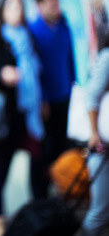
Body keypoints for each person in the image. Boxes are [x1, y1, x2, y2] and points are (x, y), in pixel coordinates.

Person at [0, 0, 44, 236]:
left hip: (24, 116)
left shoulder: (28, 38)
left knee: (33, 165)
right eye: (11, 6)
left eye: (19, 6)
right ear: (1, 10)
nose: (16, 11)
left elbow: (37, 74)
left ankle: (39, 212)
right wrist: (1, 75)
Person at [28, 0, 76, 199]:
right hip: (45, 102)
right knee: (42, 151)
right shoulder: (33, 32)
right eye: (51, 3)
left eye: (57, 2)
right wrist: (42, 100)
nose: (56, 6)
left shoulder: (64, 26)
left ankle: (62, 189)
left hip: (66, 95)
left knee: (62, 146)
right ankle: (40, 195)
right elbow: (34, 73)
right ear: (39, 5)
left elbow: (70, 60)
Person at [82, 31, 109, 236]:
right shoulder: (107, 57)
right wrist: (93, 133)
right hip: (103, 148)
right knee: (100, 212)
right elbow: (91, 95)